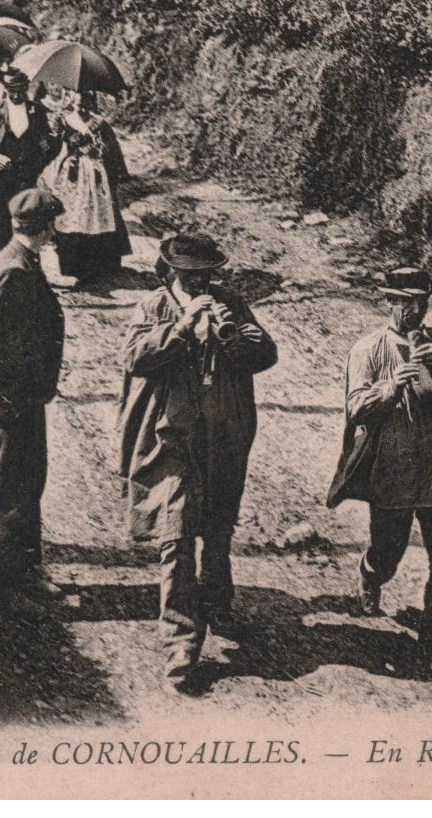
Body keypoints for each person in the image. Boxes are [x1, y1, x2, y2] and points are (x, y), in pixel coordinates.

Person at [117, 233, 278, 692]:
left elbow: (265, 352)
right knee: (178, 534)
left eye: (207, 275)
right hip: (173, 438)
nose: (201, 284)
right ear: (170, 274)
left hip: (223, 433)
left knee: (219, 522)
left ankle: (217, 598)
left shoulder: (229, 301)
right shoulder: (153, 307)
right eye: (190, 277)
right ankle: (182, 642)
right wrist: (182, 328)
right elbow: (133, 357)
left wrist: (232, 336)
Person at [326, 266, 432, 677]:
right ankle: (369, 572)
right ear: (390, 302)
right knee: (389, 552)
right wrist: (390, 387)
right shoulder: (369, 349)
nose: (414, 310)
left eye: (422, 302)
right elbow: (356, 407)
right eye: (405, 302)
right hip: (392, 472)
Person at [0, 187, 67, 616]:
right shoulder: (12, 270)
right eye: (53, 224)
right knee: (7, 493)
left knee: (29, 482)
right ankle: (4, 591)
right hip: (10, 398)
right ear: (45, 227)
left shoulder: (22, 260)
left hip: (25, 395)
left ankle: (25, 571)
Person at [42, 92, 131, 285]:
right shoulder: (65, 120)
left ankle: (99, 265)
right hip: (72, 174)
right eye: (77, 100)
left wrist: (99, 150)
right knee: (71, 216)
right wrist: (55, 134)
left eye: (85, 101)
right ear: (72, 100)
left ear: (91, 103)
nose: (81, 105)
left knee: (97, 216)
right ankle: (72, 265)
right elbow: (53, 147)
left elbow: (112, 150)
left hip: (95, 173)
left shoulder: (100, 124)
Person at [0, 67, 56, 251]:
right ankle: (5, 260)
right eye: (11, 90)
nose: (15, 95)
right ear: (5, 89)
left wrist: (47, 142)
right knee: (3, 219)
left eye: (19, 90)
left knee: (27, 218)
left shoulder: (35, 110)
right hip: (0, 175)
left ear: (26, 88)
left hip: (26, 174)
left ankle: (28, 261)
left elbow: (47, 138)